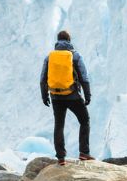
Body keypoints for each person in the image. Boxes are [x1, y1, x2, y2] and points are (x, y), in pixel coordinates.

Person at [40, 29, 93, 165]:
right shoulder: (75, 56)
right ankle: (84, 153)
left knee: (59, 125)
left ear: (57, 41)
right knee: (84, 120)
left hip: (56, 96)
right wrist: (87, 95)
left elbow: (43, 78)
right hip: (72, 95)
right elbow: (83, 76)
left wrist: (44, 95)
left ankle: (61, 158)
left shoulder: (50, 57)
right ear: (69, 41)